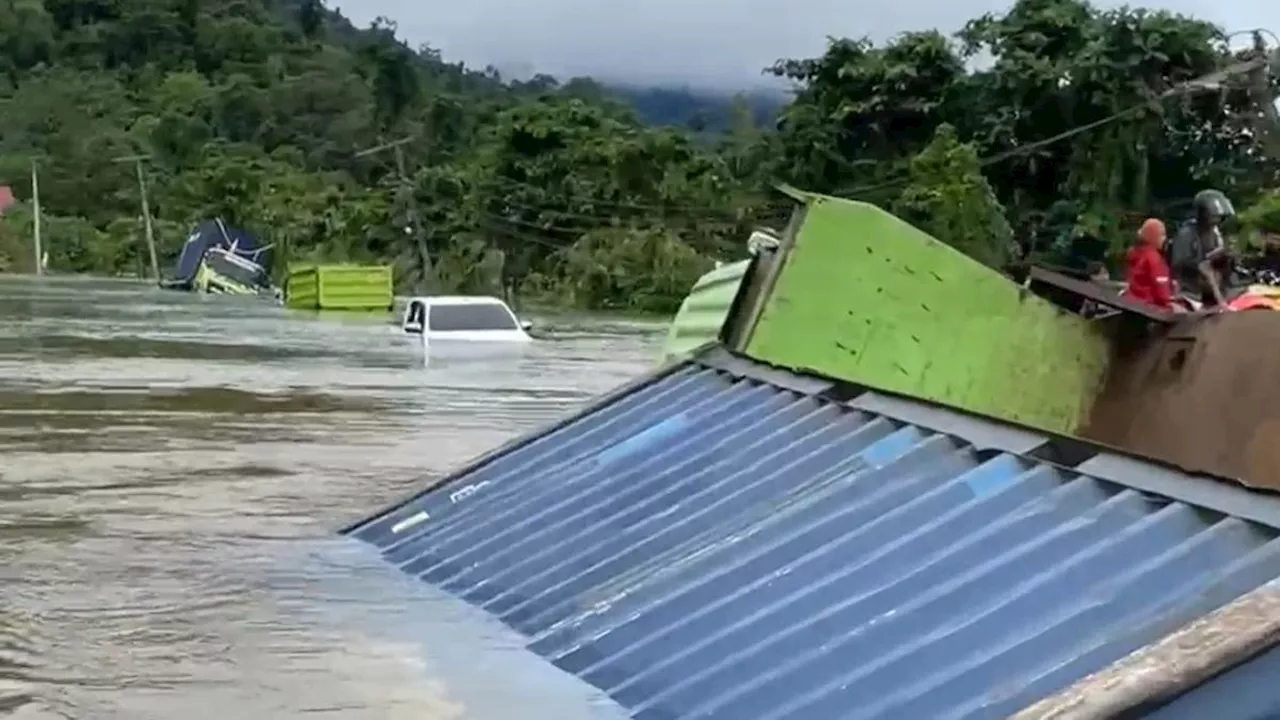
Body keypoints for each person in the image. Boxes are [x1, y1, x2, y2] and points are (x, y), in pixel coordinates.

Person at [1167, 189, 1236, 308]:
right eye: (1213, 216)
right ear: (1203, 213)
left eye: (1219, 217)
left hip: (1212, 286)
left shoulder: (1214, 233)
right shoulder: (1187, 233)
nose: (1217, 220)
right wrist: (1202, 263)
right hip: (1190, 288)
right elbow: (1179, 263)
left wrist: (1225, 258)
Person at [1126, 218, 1176, 310]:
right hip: (1150, 309)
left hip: (1134, 304)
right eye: (1162, 235)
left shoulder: (1136, 253)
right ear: (1153, 237)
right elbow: (1162, 294)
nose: (1165, 239)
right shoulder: (1154, 259)